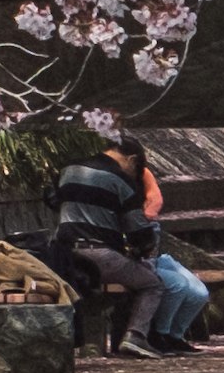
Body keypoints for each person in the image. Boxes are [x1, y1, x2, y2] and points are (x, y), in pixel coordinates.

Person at [49, 130, 211, 355]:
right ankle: (136, 336)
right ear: (132, 160)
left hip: (62, 254)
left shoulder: (68, 169)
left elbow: (51, 199)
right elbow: (140, 235)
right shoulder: (122, 181)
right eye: (136, 170)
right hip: (100, 256)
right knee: (152, 283)